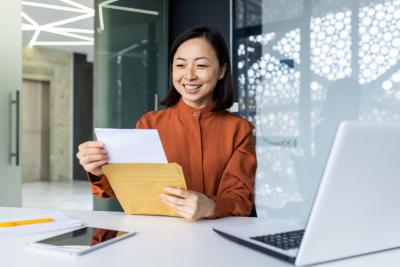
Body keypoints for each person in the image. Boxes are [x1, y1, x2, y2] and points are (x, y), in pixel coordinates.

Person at [76, 26, 257, 220]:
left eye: (201, 65)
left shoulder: (239, 129)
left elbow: (240, 200)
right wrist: (97, 170)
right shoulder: (149, 123)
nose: (189, 75)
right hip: (156, 236)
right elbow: (125, 187)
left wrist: (212, 206)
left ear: (221, 71)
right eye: (180, 65)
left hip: (216, 239)